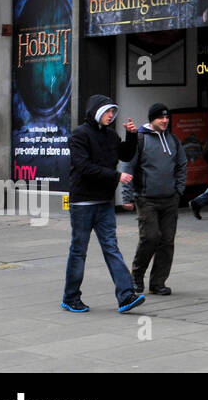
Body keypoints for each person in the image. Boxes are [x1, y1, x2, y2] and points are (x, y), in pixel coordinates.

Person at [62, 95, 146, 314]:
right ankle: (71, 297)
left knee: (111, 247)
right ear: (97, 111)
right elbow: (84, 167)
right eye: (108, 111)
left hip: (104, 202)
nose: (111, 116)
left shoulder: (110, 135)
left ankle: (126, 295)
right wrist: (116, 176)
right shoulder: (79, 135)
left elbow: (126, 154)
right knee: (79, 250)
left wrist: (131, 135)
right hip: (83, 202)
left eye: (113, 112)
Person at [122, 103, 186, 295]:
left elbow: (182, 165)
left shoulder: (173, 140)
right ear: (152, 119)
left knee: (167, 241)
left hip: (170, 200)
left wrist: (179, 190)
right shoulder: (140, 139)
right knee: (150, 238)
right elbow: (128, 167)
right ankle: (136, 277)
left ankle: (158, 283)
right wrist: (127, 196)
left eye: (167, 118)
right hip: (146, 199)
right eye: (161, 118)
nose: (165, 121)